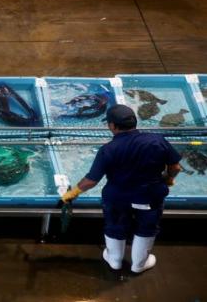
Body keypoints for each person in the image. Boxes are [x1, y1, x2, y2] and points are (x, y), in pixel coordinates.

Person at [62, 104, 182, 274]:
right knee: (147, 228)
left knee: (115, 226)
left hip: (118, 198)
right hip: (148, 196)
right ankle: (139, 264)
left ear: (112, 125)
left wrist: (70, 195)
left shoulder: (107, 150)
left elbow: (91, 181)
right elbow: (175, 167)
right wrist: (168, 178)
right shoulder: (157, 140)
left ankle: (115, 261)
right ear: (135, 122)